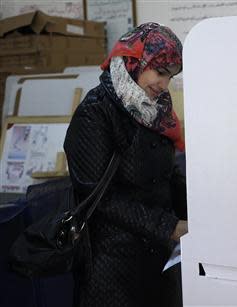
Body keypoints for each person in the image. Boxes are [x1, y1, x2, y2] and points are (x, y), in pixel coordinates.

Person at [64, 23, 188, 307]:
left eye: (170, 77)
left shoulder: (156, 111)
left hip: (157, 258)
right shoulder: (95, 113)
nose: (164, 85)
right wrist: (169, 226)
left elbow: (167, 175)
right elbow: (99, 198)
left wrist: (201, 208)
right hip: (112, 265)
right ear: (134, 62)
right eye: (160, 72)